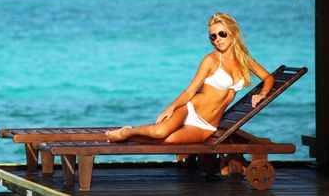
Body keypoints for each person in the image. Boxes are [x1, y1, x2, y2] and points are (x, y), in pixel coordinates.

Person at [106, 12, 274, 144]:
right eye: (213, 36)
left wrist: (263, 94)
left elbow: (268, 77)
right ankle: (127, 132)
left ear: (233, 34)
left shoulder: (245, 60)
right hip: (190, 109)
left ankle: (125, 136)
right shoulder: (211, 60)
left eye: (221, 34)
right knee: (159, 132)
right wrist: (171, 107)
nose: (217, 39)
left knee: (168, 141)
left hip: (207, 125)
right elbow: (190, 90)